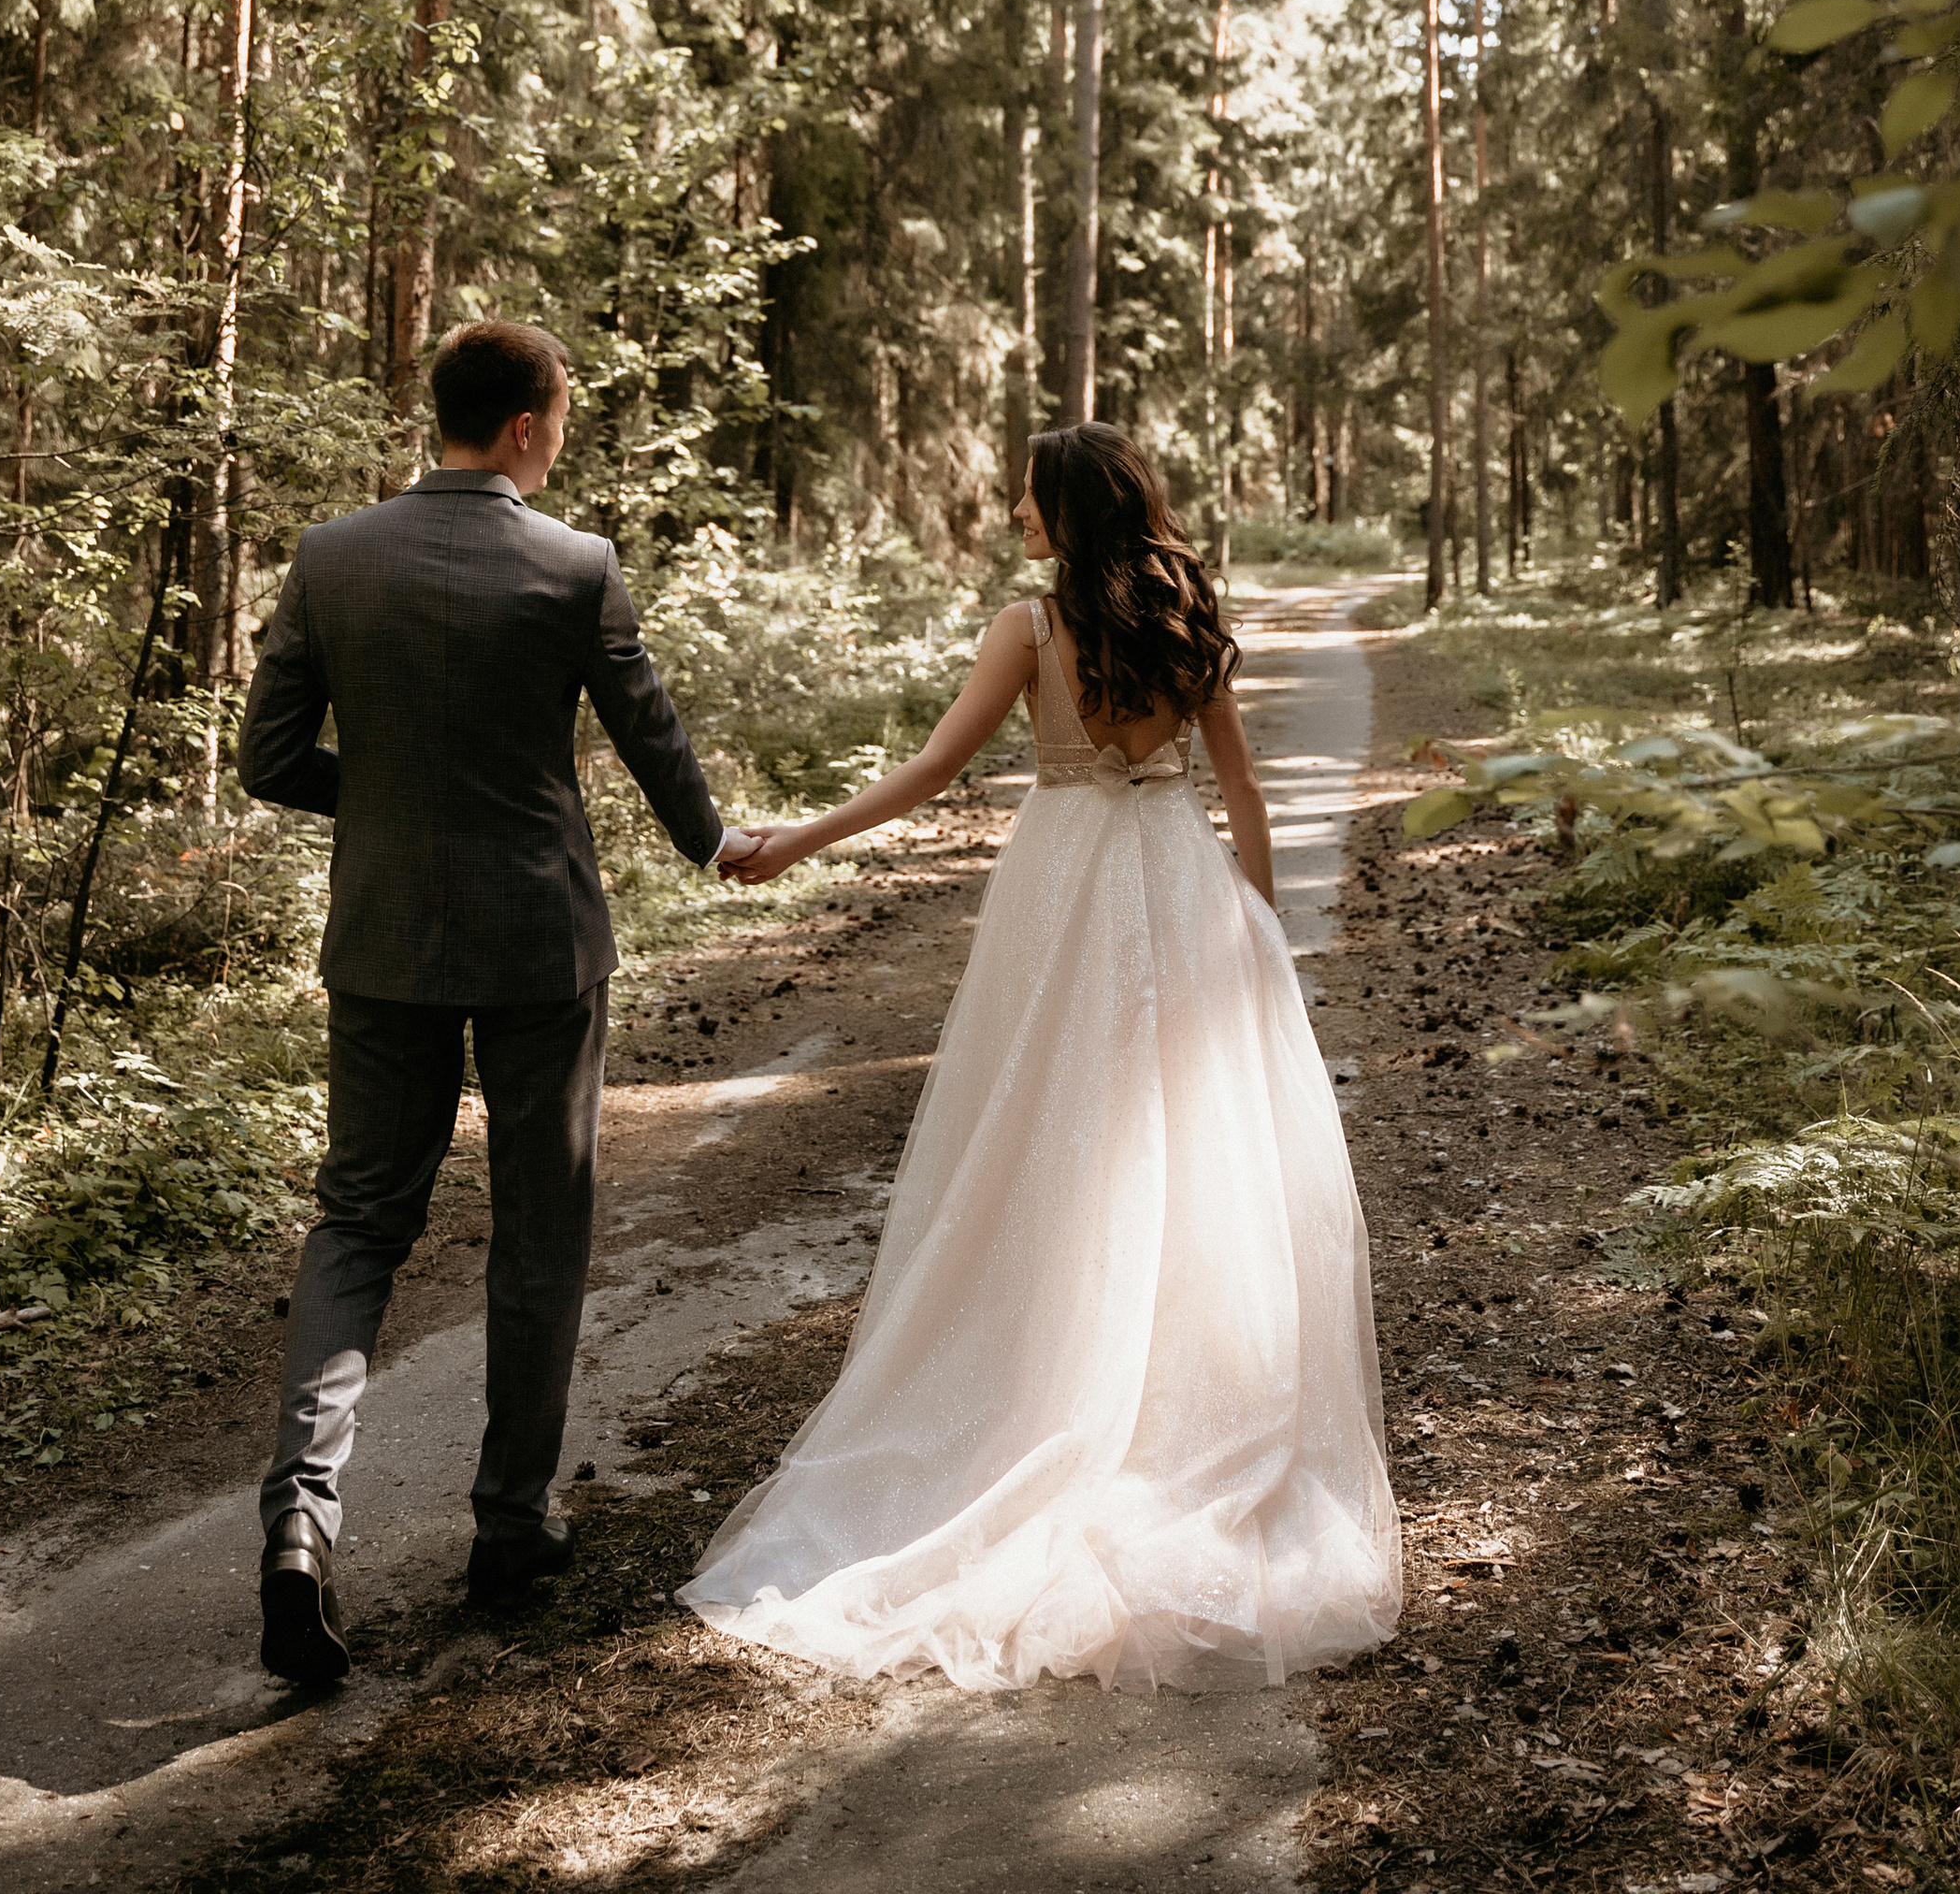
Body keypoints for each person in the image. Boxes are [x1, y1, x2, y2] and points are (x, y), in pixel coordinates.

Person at [682, 421, 1401, 1694]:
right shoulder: (1188, 605)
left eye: (1026, 490)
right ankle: (1179, 1402)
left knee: (1048, 1139)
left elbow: (931, 773)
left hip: (1067, 887)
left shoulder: (1030, 624)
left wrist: (797, 841)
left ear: (1062, 506)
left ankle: (1058, 1379)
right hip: (1185, 885)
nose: (1014, 507)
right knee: (1194, 1156)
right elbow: (1239, 791)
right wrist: (1263, 932)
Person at [237, 317, 757, 1687]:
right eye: (563, 412)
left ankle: (300, 1527)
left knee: (359, 1221)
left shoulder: (332, 557)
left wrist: (393, 802)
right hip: (538, 943)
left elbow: (269, 756)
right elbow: (652, 741)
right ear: (527, 426)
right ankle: (510, 1529)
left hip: (386, 940)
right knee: (539, 1230)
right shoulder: (575, 567)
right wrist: (716, 846)